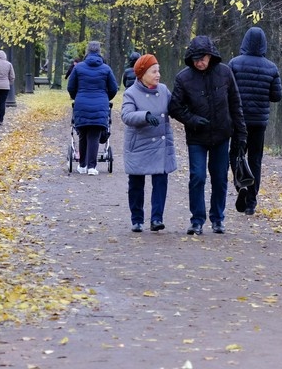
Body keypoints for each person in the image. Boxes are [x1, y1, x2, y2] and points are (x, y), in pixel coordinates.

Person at [169, 35, 246, 235]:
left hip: (222, 135)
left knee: (220, 178)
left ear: (210, 56)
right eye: (195, 59)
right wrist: (192, 119)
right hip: (197, 137)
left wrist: (241, 133)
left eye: (202, 58)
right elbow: (175, 107)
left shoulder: (225, 73)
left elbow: (235, 105)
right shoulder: (183, 77)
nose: (199, 62)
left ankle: (218, 218)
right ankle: (197, 220)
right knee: (197, 177)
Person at [228, 27, 282, 215]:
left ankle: (240, 184)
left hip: (238, 121)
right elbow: (277, 96)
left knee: (235, 154)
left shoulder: (234, 64)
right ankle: (251, 202)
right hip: (259, 122)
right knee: (255, 159)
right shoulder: (271, 67)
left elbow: (227, 90)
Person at [120, 54, 177, 232]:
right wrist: (144, 116)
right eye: (154, 71)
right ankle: (137, 219)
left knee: (161, 180)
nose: (158, 74)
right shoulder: (131, 93)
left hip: (160, 145)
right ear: (142, 73)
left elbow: (176, 108)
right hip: (139, 145)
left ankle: (156, 218)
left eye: (158, 70)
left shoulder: (164, 90)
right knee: (136, 183)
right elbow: (126, 115)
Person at [67, 41, 119, 175]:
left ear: (87, 51)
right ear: (99, 52)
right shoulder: (106, 69)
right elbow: (113, 88)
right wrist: (106, 98)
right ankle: (91, 167)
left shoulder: (78, 68)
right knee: (94, 135)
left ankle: (82, 165)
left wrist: (77, 96)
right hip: (100, 104)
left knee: (83, 134)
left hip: (81, 103)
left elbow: (71, 87)